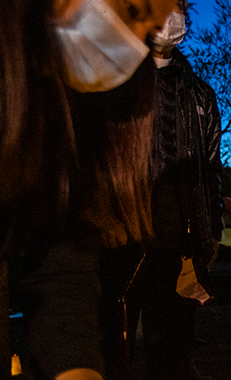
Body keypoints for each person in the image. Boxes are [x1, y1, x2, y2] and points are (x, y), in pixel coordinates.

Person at [1, 0, 176, 378]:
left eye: (148, 33)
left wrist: (77, 368)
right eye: (132, 10)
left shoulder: (74, 120)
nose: (133, 45)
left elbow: (59, 270)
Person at [125, 3, 223, 379]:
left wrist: (207, 235)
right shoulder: (114, 83)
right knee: (110, 354)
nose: (169, 13)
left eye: (178, 5)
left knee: (170, 358)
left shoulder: (201, 95)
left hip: (175, 249)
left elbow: (209, 172)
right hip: (119, 243)